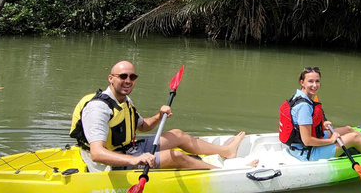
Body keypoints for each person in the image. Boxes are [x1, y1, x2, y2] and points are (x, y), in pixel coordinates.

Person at [70, 60, 247, 171]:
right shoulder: (99, 109)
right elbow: (97, 154)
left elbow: (142, 126)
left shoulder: (124, 100)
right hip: (107, 165)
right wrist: (136, 160)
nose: (128, 81)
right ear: (111, 78)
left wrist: (159, 115)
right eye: (123, 76)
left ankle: (226, 151)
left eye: (132, 77)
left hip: (127, 149)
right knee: (174, 156)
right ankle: (220, 172)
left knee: (177, 134)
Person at [281, 66, 361, 161]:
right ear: (302, 82)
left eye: (317, 81)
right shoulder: (303, 106)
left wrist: (322, 123)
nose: (315, 85)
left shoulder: (299, 96)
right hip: (307, 153)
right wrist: (331, 140)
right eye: (310, 81)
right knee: (353, 138)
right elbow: (307, 140)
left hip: (304, 146)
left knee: (348, 129)